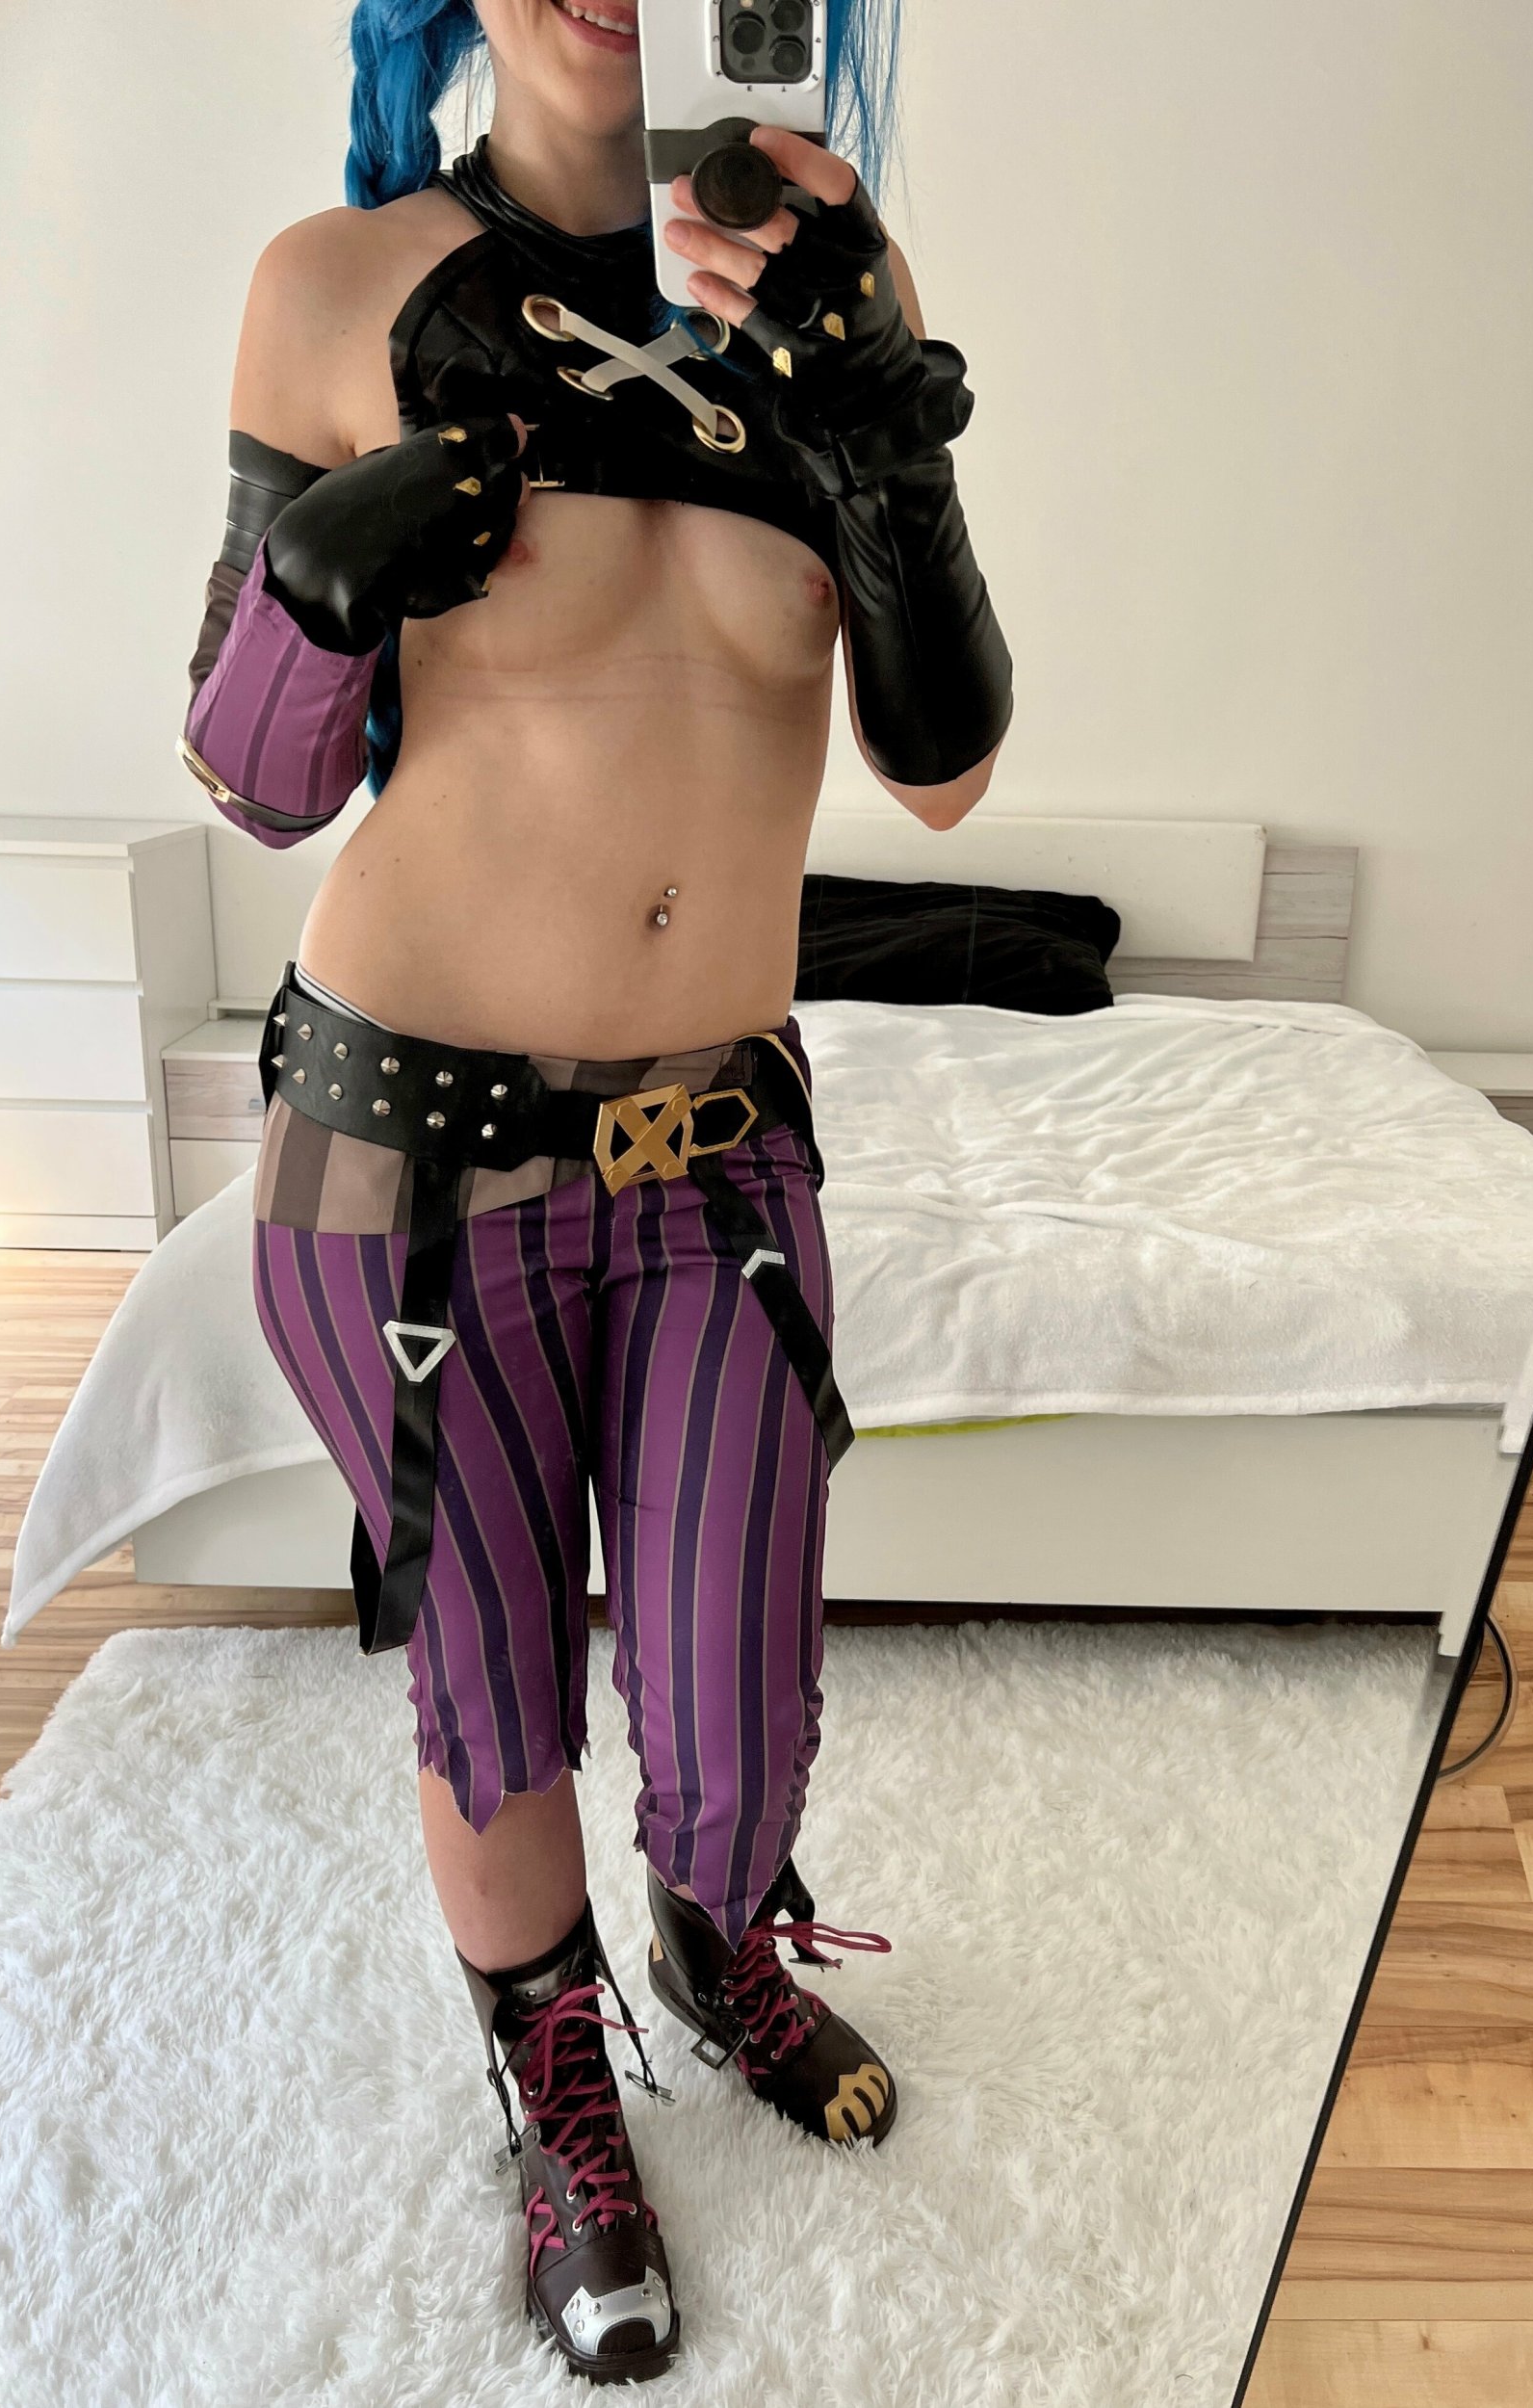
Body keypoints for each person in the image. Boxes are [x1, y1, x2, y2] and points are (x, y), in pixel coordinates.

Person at [181, 0, 1010, 2379]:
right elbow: (251, 782)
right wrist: (313, 583)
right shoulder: (337, 286)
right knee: (493, 1680)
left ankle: (712, 1941)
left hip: (720, 1145)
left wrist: (882, 450)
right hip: (399, 1151)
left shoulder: (837, 280)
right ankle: (555, 2088)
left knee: (739, 1683)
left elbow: (942, 773)